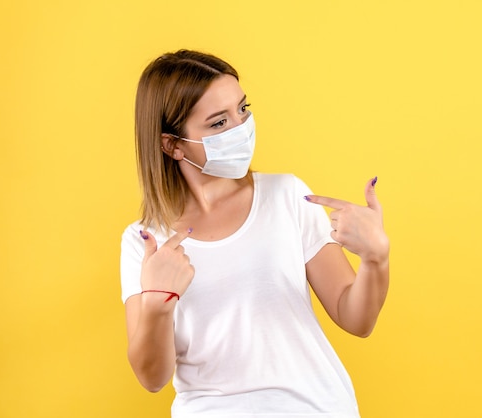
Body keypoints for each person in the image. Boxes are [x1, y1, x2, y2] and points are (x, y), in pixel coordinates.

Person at [120, 49, 390, 418]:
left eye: (243, 110)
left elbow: (356, 319)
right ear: (173, 145)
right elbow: (152, 378)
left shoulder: (287, 196)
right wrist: (157, 304)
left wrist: (376, 259)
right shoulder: (145, 241)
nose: (241, 127)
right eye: (218, 123)